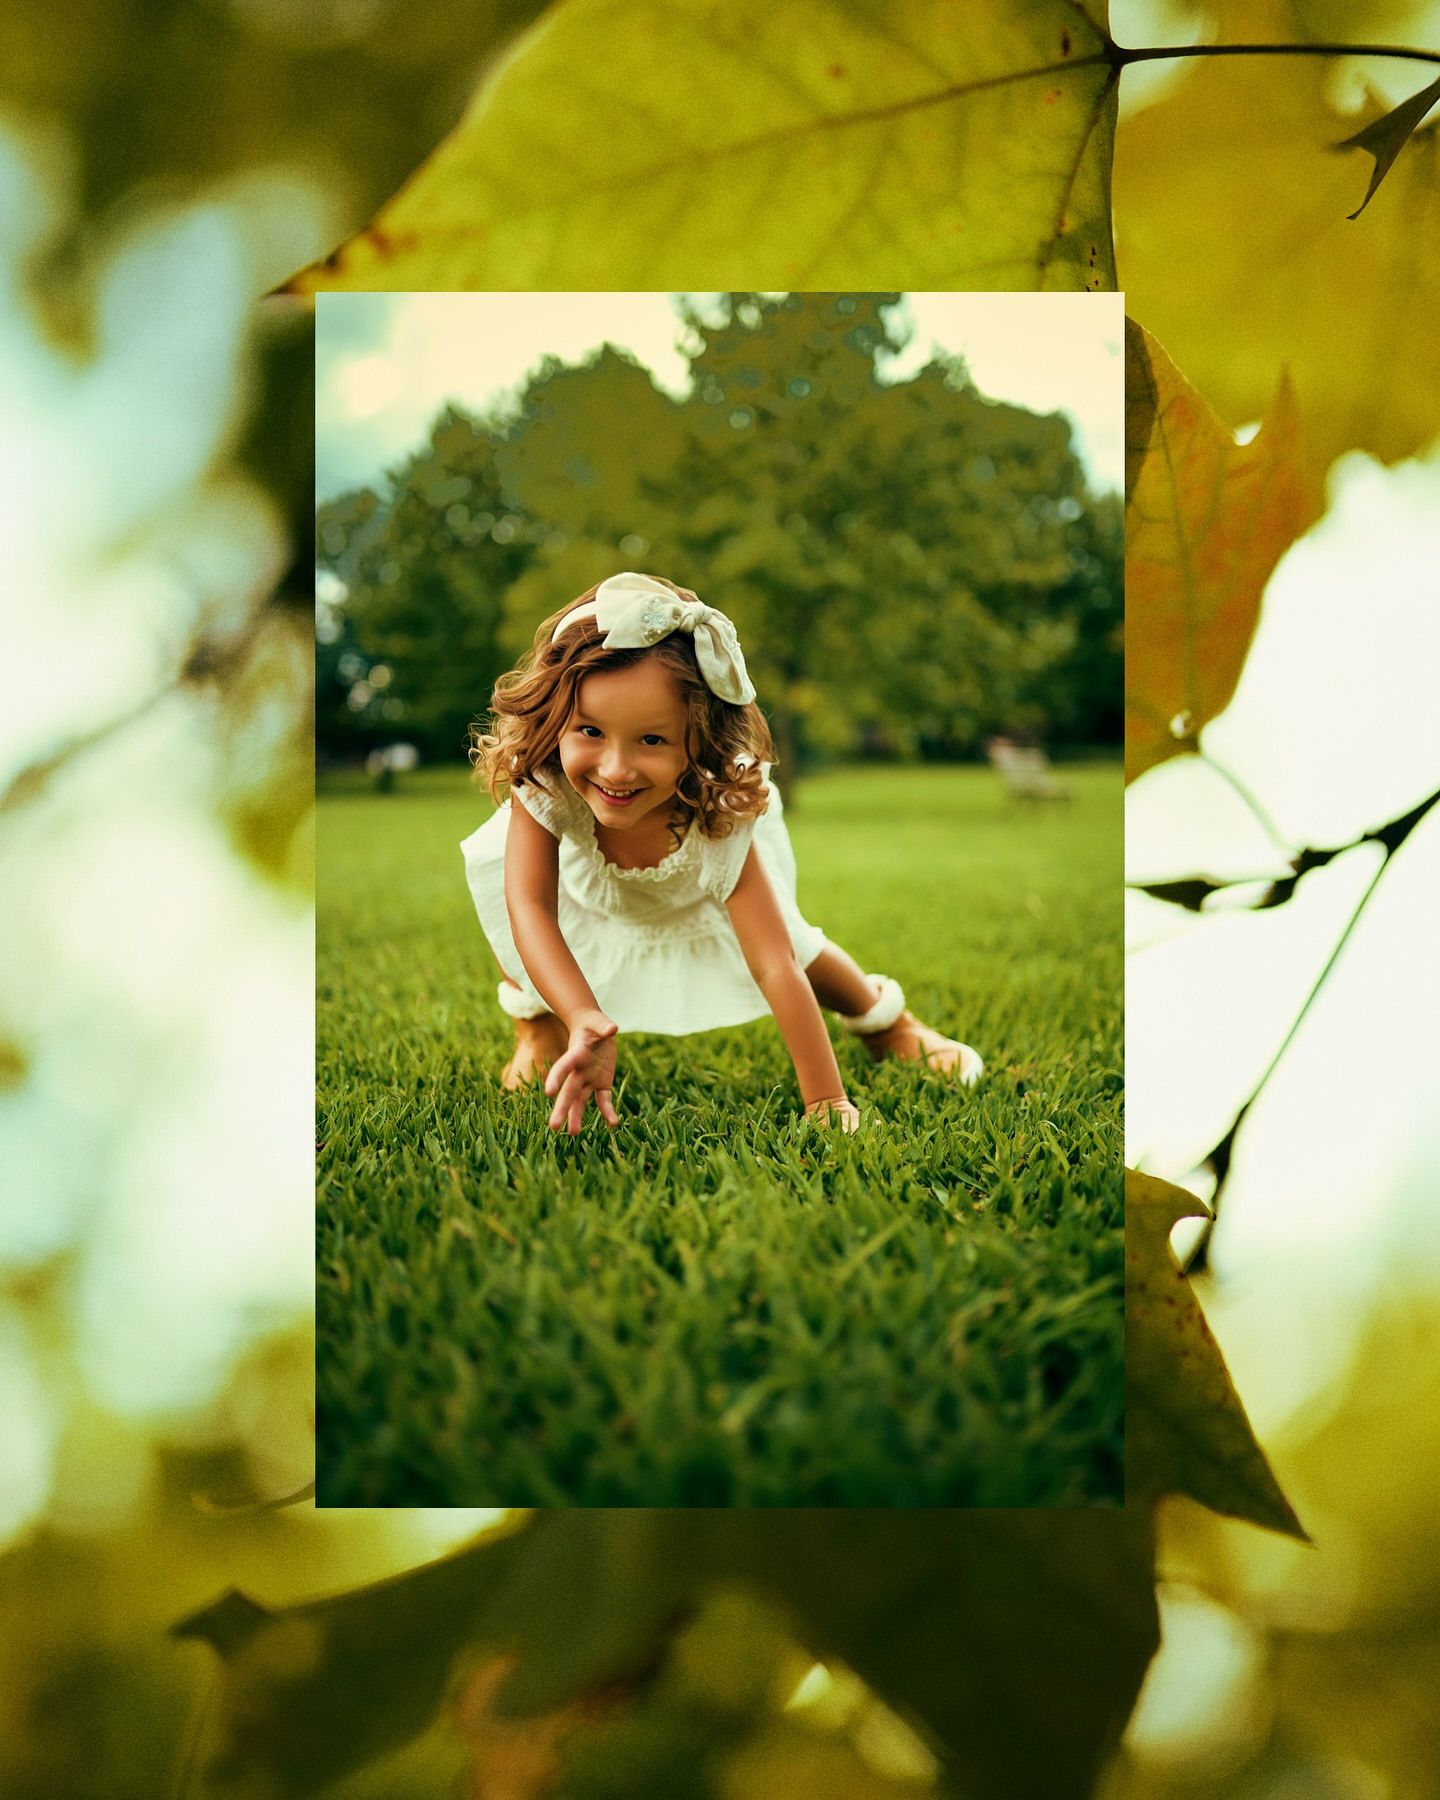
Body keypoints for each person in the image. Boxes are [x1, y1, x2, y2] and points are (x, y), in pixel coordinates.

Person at [462, 572, 983, 1135]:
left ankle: (885, 1024)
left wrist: (826, 1101)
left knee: (800, 947)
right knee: (515, 924)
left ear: (701, 740)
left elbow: (775, 963)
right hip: (579, 898)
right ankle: (539, 1029)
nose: (616, 769)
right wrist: (581, 1014)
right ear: (554, 717)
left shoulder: (718, 803)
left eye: (652, 740)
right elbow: (531, 909)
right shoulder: (544, 781)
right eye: (590, 730)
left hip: (699, 893)